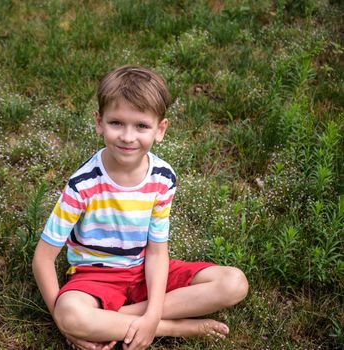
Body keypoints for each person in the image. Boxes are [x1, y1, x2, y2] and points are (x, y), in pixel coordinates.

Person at [32, 65, 249, 350]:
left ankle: (119, 320)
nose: (127, 136)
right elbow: (43, 259)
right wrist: (63, 322)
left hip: (144, 270)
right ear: (99, 123)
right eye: (116, 123)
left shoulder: (162, 178)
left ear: (160, 130)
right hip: (96, 277)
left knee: (234, 283)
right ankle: (174, 327)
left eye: (141, 126)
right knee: (69, 311)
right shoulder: (83, 184)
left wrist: (152, 311)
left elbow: (157, 252)